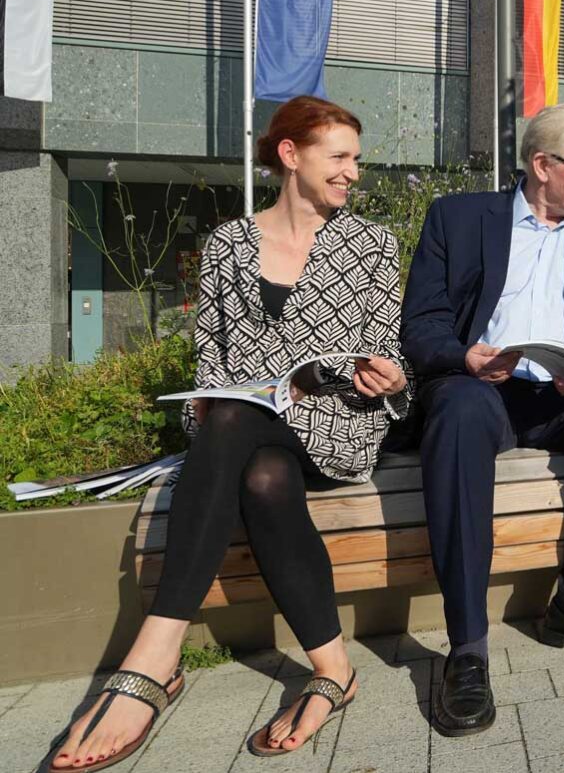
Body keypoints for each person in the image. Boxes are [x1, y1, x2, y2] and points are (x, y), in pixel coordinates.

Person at [42, 97, 411, 772]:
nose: (353, 172)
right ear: (291, 156)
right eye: (340, 156)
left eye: (356, 158)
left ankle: (156, 653)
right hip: (247, 428)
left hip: (333, 427)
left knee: (242, 424)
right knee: (260, 470)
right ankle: (333, 669)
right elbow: (210, 361)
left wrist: (383, 378)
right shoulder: (228, 244)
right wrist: (213, 406)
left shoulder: (373, 246)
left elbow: (387, 352)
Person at [402, 103, 564, 737]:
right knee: (462, 411)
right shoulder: (459, 218)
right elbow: (422, 324)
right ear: (542, 165)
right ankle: (467, 649)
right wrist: (465, 355)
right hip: (482, 391)